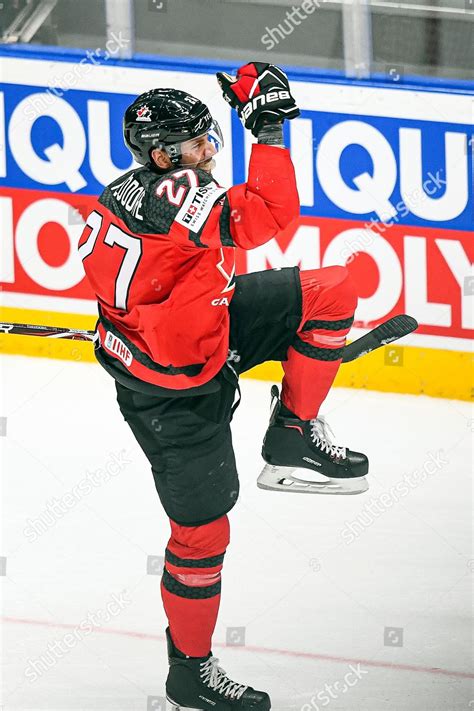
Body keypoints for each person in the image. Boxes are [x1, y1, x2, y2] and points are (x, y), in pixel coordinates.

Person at [78, 62, 368, 711]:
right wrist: (265, 128)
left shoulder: (121, 193)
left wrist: (146, 325)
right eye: (196, 142)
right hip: (173, 397)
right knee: (202, 534)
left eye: (210, 135)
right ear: (161, 156)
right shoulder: (174, 194)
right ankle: (190, 670)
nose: (209, 149)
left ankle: (293, 432)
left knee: (334, 290)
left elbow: (134, 284)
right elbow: (272, 216)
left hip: (192, 337)